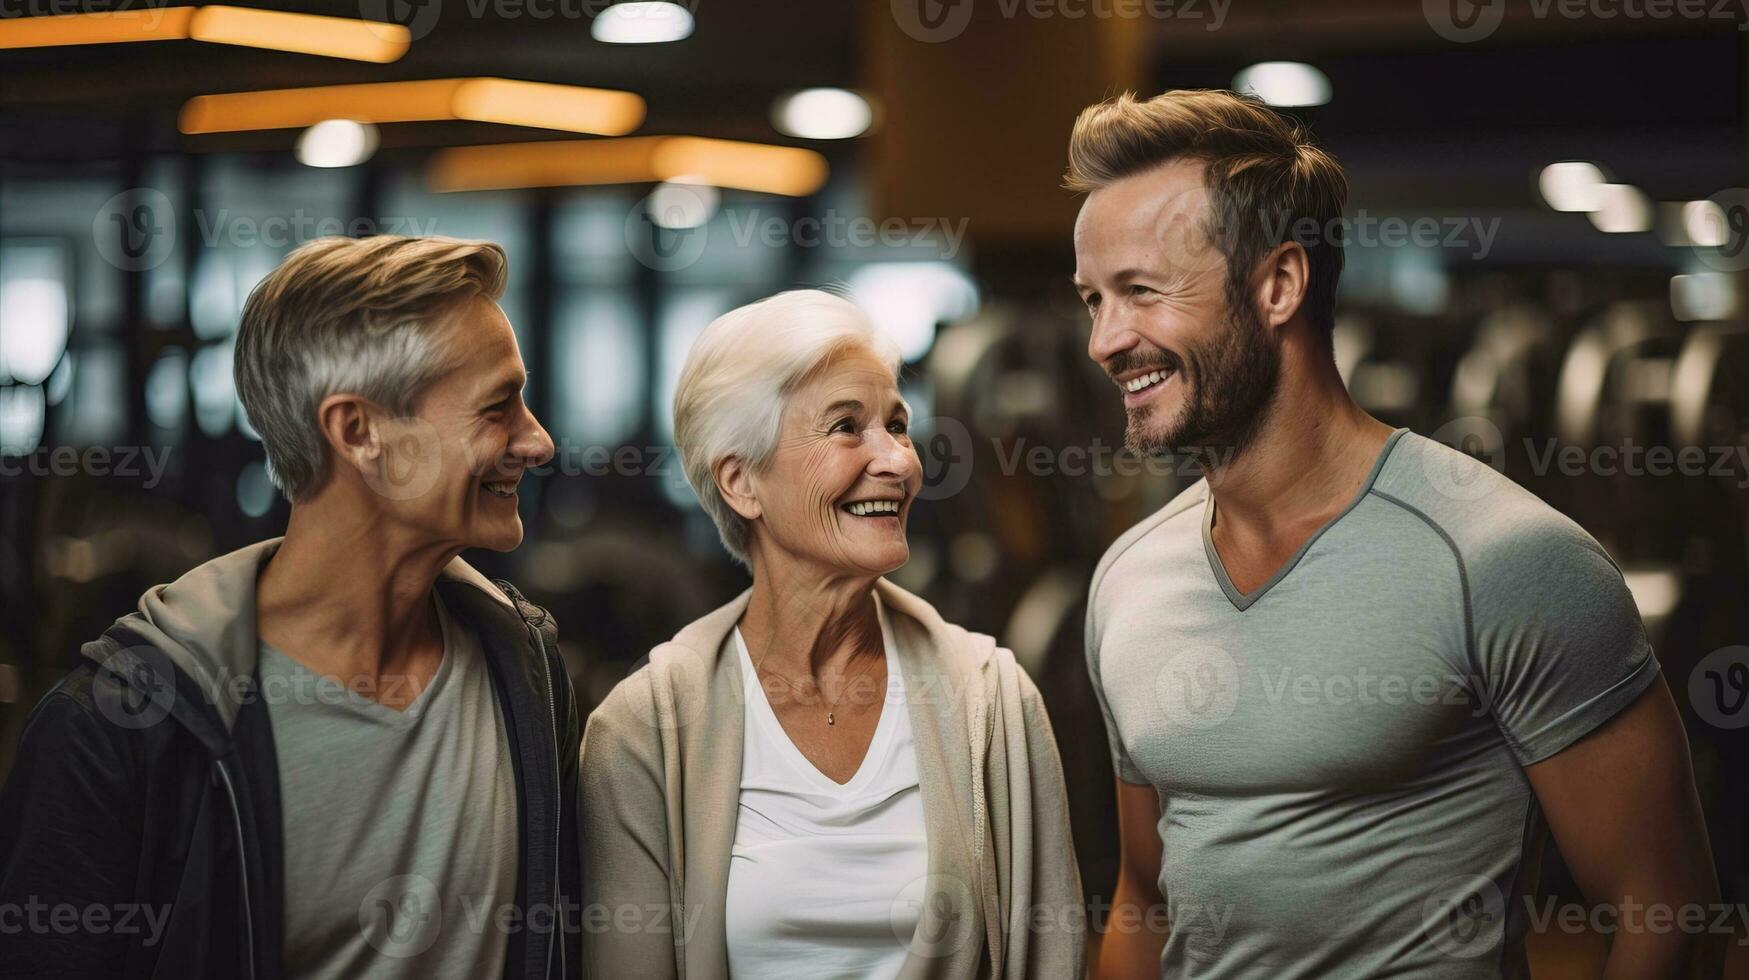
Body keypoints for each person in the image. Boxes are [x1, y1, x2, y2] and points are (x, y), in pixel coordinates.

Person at [1069, 91, 1720, 978]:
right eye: (1093, 300)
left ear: (1279, 284)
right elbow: (1143, 900)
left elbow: (1669, 918)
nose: (1107, 339)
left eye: (1141, 292)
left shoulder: (1506, 559)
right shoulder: (1127, 579)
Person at [0, 236, 581, 979]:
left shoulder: (526, 677)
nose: (538, 439)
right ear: (358, 431)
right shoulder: (120, 728)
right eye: (498, 407)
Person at [580, 289, 1084, 979]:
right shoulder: (644, 732)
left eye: (898, 425)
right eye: (847, 428)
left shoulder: (991, 703)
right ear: (741, 482)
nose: (900, 463)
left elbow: (1049, 961)